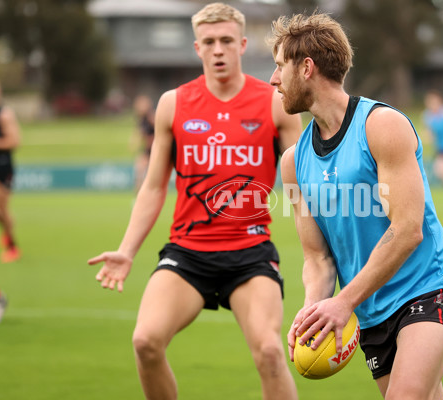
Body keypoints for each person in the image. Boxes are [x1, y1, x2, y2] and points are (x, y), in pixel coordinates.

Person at [87, 4, 301, 399]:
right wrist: (126, 250)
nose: (217, 49)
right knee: (145, 342)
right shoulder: (173, 103)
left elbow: (301, 189)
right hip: (187, 253)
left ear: (242, 44)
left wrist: (328, 253)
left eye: (225, 41)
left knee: (271, 352)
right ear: (196, 47)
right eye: (208, 42)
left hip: (251, 253)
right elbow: (153, 187)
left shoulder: (275, 102)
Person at [269, 13, 443, 399]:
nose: (273, 80)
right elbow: (317, 259)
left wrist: (342, 302)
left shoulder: (382, 126)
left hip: (424, 288)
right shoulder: (291, 164)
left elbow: (408, 228)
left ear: (306, 68)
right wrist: (315, 310)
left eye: (279, 67)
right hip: (368, 309)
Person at [0, 83, 21, 263]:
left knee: (1, 208)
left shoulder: (4, 115)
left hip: (3, 165)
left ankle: (12, 246)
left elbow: (14, 141)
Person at [131, 95, 155, 191]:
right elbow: (139, 132)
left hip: (155, 150)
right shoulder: (141, 120)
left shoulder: (151, 117)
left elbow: (159, 130)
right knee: (139, 170)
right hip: (147, 150)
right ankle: (138, 195)